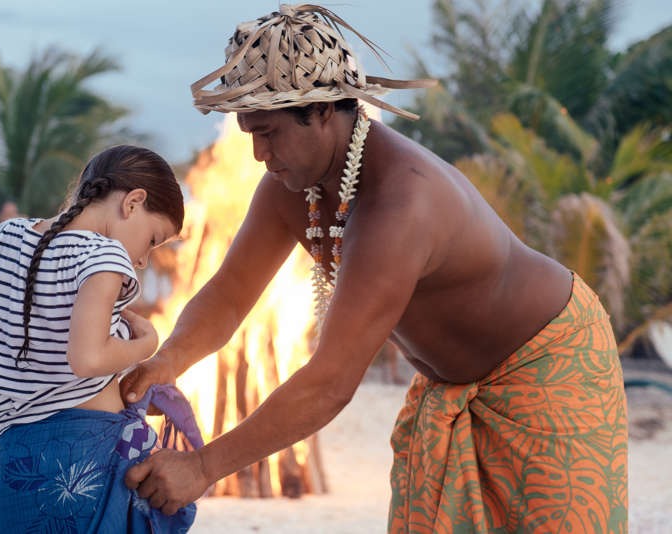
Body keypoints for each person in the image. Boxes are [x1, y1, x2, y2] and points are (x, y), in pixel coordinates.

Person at [122, 5, 628, 533]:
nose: (257, 154)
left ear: (322, 111)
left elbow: (331, 383)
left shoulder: (400, 202)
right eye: (249, 133)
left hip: (550, 373)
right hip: (452, 384)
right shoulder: (288, 187)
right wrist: (168, 360)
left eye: (268, 132)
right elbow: (229, 295)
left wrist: (203, 467)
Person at [0, 145, 203, 533]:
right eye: (153, 239)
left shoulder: (3, 238)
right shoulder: (104, 256)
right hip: (88, 464)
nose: (143, 260)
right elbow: (87, 358)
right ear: (133, 202)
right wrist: (146, 345)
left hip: (18, 456)